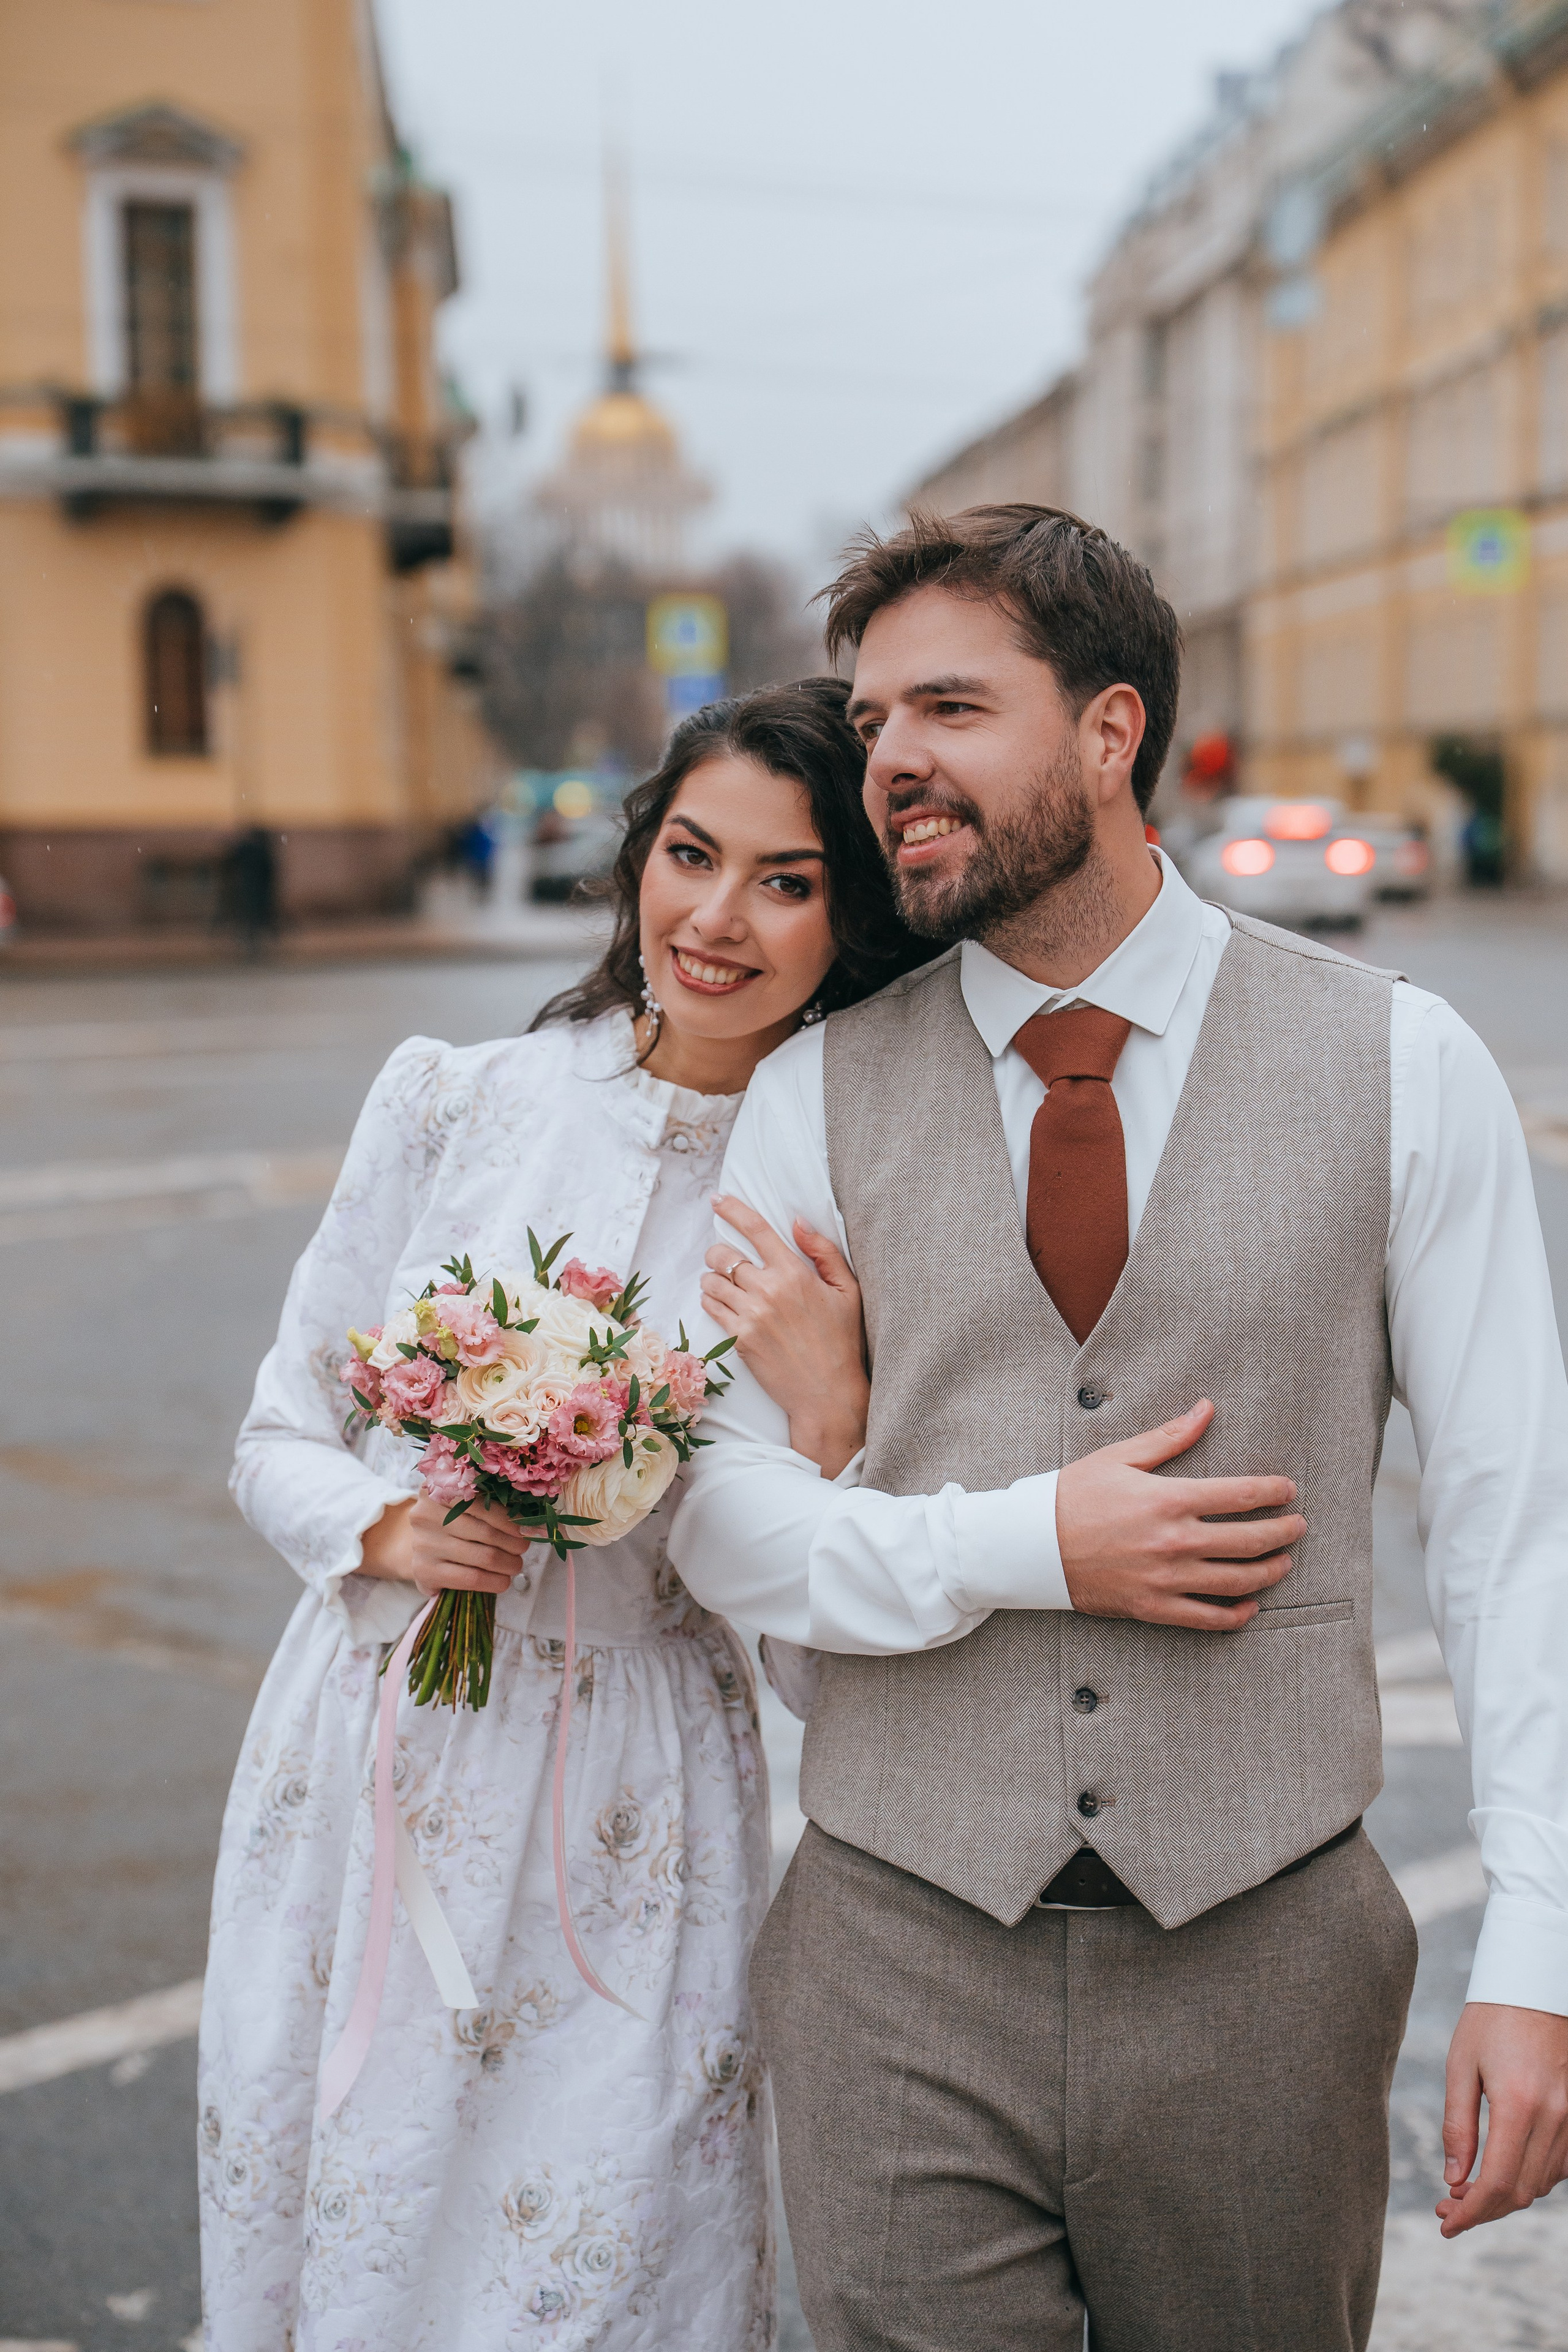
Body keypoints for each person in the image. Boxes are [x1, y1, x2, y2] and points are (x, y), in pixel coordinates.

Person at [670, 505, 1568, 2351]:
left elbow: (1516, 1530)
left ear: (1110, 732)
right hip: (896, 1952)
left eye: (949, 707)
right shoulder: (816, 1093)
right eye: (872, 721)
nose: (893, 762)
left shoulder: (1405, 1065)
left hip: (1269, 1959)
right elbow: (717, 1523)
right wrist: (1028, 1541)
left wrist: (1541, 1959)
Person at [198, 679, 923, 2351]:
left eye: (789, 881)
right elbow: (275, 1430)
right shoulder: (460, 1100)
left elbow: (824, 1654)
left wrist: (832, 1420)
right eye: (690, 853)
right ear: (637, 856)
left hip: (634, 1798)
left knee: (593, 2263)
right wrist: (385, 1533)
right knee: (350, 2231)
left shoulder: (841, 1199)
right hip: (371, 1750)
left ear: (853, 918)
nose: (717, 919)